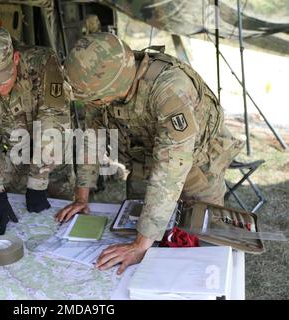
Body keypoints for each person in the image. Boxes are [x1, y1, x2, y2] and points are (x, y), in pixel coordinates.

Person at [57, 32, 244, 274]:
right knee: (137, 243)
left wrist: (140, 245)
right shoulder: (103, 87)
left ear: (113, 87)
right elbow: (93, 138)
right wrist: (82, 197)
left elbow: (170, 171)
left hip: (196, 166)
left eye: (93, 99)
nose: (90, 105)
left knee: (203, 251)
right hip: (144, 162)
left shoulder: (170, 90)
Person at [0, 27, 73, 235]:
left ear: (16, 58)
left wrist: (37, 183)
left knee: (60, 217)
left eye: (4, 79)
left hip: (53, 154)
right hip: (14, 152)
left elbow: (53, 124)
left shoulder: (43, 63)